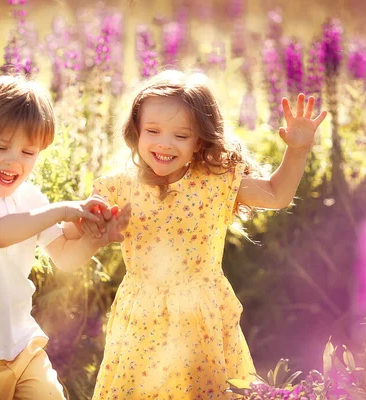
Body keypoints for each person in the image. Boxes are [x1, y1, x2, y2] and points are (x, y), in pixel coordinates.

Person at [86, 69, 327, 399]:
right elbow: (88, 220)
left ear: (200, 139)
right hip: (143, 316)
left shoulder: (216, 179)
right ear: (136, 132)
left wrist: (297, 150)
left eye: (181, 136)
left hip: (201, 315)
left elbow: (276, 194)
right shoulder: (119, 187)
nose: (164, 143)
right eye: (153, 130)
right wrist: (88, 217)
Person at [0, 75, 129, 400]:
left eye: (28, 152)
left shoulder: (31, 198)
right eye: (0, 147)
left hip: (23, 344)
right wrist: (63, 211)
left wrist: (97, 236)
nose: (14, 161)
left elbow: (66, 256)